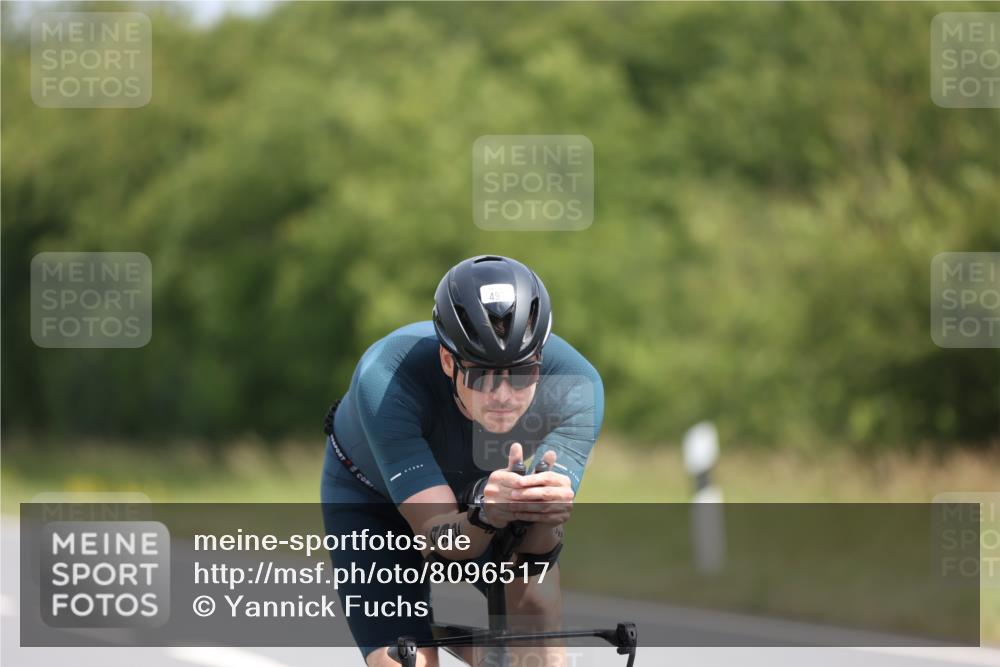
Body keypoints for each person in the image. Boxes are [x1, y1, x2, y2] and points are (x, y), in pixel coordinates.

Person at [320, 255, 604, 666]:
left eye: (522, 373)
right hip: (372, 500)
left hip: (484, 496)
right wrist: (485, 516)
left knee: (537, 621)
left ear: (541, 360)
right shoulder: (385, 378)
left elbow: (534, 551)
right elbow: (440, 541)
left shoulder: (579, 387)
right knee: (404, 660)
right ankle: (428, 638)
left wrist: (541, 516)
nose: (504, 395)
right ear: (448, 361)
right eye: (484, 376)